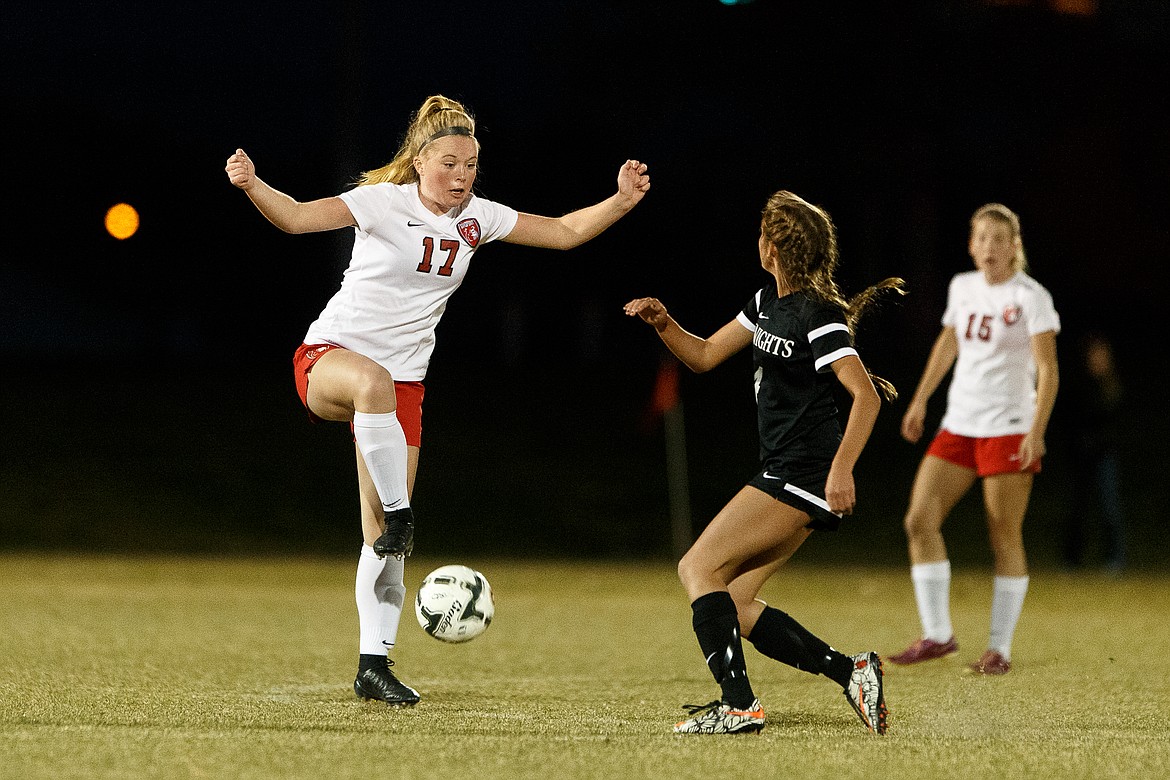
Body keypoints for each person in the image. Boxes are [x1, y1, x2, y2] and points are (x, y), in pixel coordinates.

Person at [225, 94, 650, 706]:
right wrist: (251, 184)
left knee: (378, 534)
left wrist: (622, 200)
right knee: (375, 402)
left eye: (472, 165)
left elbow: (562, 233)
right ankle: (402, 515)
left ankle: (375, 664)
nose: (462, 177)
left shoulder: (478, 218)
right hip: (329, 361)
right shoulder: (382, 203)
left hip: (405, 385)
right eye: (450, 163)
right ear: (421, 161)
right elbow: (293, 218)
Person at [624, 190, 903, 736]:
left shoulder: (818, 317)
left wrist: (842, 468)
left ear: (774, 247)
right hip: (790, 469)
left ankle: (738, 705)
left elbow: (865, 396)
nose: (757, 242)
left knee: (696, 568)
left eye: (761, 235)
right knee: (732, 600)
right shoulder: (765, 305)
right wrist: (664, 322)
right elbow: (704, 355)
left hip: (803, 472)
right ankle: (853, 672)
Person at [889, 203, 1060, 676]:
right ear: (971, 244)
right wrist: (920, 399)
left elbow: (1048, 370)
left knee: (1003, 532)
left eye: (998, 239)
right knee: (919, 521)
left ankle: (998, 650)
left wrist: (1037, 430)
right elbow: (949, 344)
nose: (989, 247)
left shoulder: (1031, 297)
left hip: (1008, 426)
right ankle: (938, 634)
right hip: (960, 423)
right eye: (981, 238)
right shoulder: (962, 288)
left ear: (1014, 246)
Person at [1060, 331, 1127, 574]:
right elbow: (1070, 418)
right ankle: (1071, 560)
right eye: (1095, 354)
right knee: (1077, 509)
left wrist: (1104, 441)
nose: (1099, 359)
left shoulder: (1113, 384)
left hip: (1105, 455)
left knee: (1110, 507)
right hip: (1081, 455)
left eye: (1103, 355)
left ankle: (1115, 559)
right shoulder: (1079, 383)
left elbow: (1117, 421)